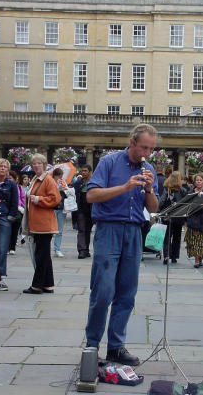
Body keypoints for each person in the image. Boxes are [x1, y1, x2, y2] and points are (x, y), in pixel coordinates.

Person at [85, 123, 159, 366]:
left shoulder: (149, 169)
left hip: (134, 232)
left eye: (151, 149)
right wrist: (125, 187)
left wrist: (149, 188)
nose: (147, 154)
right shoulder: (109, 162)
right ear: (132, 142)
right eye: (144, 147)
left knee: (127, 293)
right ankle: (92, 345)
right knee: (103, 291)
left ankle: (116, 347)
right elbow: (91, 195)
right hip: (109, 229)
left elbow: (153, 208)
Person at [22, 153, 61, 294]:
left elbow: (55, 199)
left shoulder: (47, 180)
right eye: (34, 163)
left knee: (41, 255)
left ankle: (37, 286)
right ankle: (48, 285)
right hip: (37, 223)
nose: (36, 165)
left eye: (39, 163)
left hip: (44, 224)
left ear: (44, 165)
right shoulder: (36, 179)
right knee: (43, 255)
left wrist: (38, 200)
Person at [0, 159, 18, 291]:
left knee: (1, 248)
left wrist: (10, 217)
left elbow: (15, 202)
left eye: (5, 167)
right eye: (0, 166)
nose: (2, 168)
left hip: (4, 218)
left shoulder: (11, 185)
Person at [159, 171, 187, 264]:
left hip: (167, 216)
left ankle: (166, 256)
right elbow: (185, 204)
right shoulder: (182, 190)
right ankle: (174, 256)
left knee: (167, 237)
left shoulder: (167, 189)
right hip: (178, 216)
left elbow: (161, 202)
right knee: (176, 237)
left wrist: (159, 211)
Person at [52, 167, 75, 258]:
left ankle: (57, 249)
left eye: (61, 176)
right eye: (58, 175)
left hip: (62, 207)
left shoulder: (63, 182)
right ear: (55, 175)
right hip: (52, 208)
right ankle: (50, 248)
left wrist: (66, 189)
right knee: (50, 230)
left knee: (59, 230)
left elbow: (68, 193)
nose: (60, 177)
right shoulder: (50, 182)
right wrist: (57, 187)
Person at [74, 165, 93, 259]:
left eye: (85, 171)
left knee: (88, 230)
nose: (83, 172)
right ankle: (81, 250)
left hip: (91, 209)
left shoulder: (94, 182)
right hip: (81, 208)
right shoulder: (78, 182)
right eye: (82, 171)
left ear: (90, 172)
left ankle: (86, 250)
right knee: (81, 229)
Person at [8, 170, 26, 255]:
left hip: (18, 211)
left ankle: (12, 247)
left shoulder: (18, 187)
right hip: (8, 211)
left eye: (10, 178)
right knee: (8, 229)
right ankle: (7, 246)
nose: (9, 179)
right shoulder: (6, 187)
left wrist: (22, 208)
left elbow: (23, 198)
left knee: (15, 230)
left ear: (15, 179)